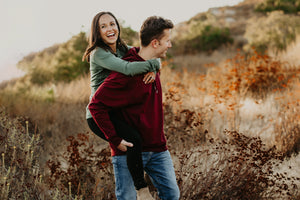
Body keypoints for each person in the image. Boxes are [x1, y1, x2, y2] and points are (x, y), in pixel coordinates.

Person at [89, 16, 180, 200]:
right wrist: (115, 139)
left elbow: (140, 53)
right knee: (128, 196)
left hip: (156, 147)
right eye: (103, 26)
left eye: (112, 24)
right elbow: (127, 68)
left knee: (172, 195)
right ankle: (141, 188)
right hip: (104, 123)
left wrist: (154, 65)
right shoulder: (100, 55)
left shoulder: (126, 51)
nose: (170, 45)